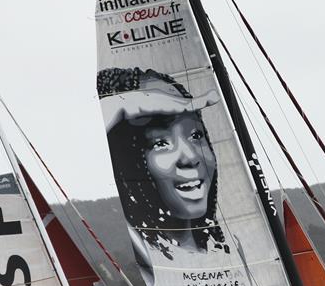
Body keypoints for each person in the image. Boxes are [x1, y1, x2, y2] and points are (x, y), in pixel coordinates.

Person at [97, 67, 230, 262]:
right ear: (129, 160)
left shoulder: (229, 246)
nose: (190, 157)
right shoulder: (150, 258)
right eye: (160, 143)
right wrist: (127, 106)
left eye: (195, 135)